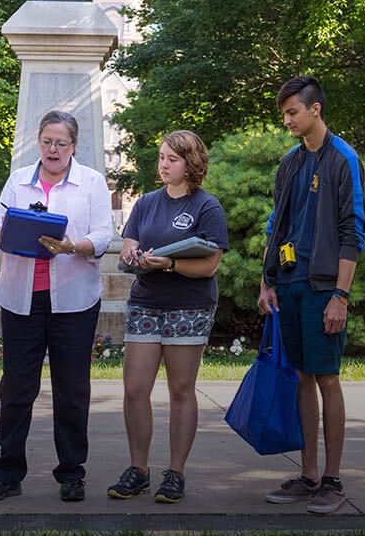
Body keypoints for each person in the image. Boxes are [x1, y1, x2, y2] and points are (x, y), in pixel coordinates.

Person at [0, 111, 114, 503]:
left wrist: (74, 245)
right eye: (46, 142)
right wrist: (7, 232)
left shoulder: (91, 182)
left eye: (61, 143)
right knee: (16, 388)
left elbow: (104, 234)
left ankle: (72, 472)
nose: (53, 150)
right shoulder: (19, 180)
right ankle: (7, 472)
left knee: (72, 389)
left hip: (73, 300)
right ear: (37, 142)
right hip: (21, 298)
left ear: (74, 146)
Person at [257, 75, 365, 515]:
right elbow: (274, 225)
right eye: (284, 114)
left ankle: (333, 480)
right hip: (289, 284)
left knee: (326, 377)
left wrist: (340, 295)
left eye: (292, 112)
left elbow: (352, 232)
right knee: (301, 376)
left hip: (324, 287)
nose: (287, 120)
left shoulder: (344, 159)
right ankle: (308, 476)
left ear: (315, 109)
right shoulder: (289, 163)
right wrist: (266, 281)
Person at [107, 130, 229, 504]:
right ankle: (138, 470)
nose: (162, 165)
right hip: (145, 301)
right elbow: (129, 244)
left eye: (171, 159)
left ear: (191, 163)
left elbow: (209, 265)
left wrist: (172, 263)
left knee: (180, 390)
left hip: (188, 306)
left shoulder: (207, 206)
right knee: (135, 389)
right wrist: (132, 256)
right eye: (160, 157)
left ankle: (175, 473)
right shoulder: (145, 203)